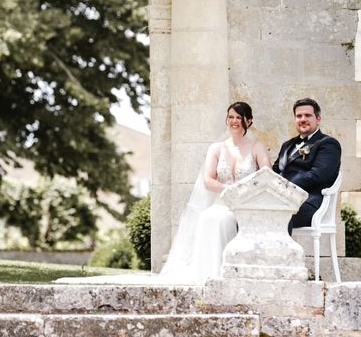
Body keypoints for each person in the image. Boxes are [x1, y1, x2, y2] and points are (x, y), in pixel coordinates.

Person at [56, 101, 269, 285]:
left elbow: (266, 176)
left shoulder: (256, 146)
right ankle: (210, 273)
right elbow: (208, 180)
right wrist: (229, 189)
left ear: (248, 121)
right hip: (222, 203)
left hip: (246, 203)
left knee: (223, 221)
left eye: (238, 117)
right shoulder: (216, 148)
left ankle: (232, 273)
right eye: (230, 117)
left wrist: (244, 192)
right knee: (209, 218)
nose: (233, 121)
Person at [273, 98, 341, 233]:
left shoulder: (328, 144)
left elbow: (317, 176)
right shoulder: (287, 145)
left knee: (278, 214)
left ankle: (283, 254)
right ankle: (256, 254)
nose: (303, 119)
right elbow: (275, 171)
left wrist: (283, 187)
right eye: (299, 116)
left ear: (318, 119)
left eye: (308, 115)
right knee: (251, 212)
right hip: (282, 198)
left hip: (309, 202)